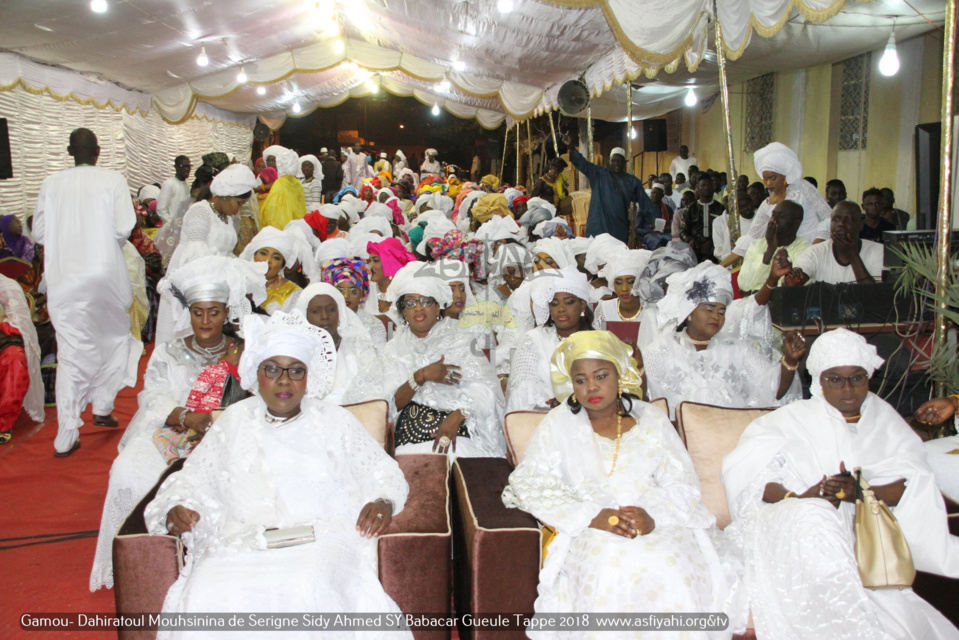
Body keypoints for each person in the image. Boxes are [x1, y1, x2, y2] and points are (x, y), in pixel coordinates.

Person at [144, 311, 412, 637]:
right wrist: (177, 505)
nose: (284, 379)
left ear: (307, 378)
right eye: (272, 369)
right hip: (238, 541)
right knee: (208, 595)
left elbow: (380, 469)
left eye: (296, 370)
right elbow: (193, 476)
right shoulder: (233, 420)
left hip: (318, 539)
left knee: (303, 591)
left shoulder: (333, 420)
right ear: (258, 374)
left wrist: (383, 499)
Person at [722, 328, 959, 639]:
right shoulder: (787, 419)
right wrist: (803, 496)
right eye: (836, 379)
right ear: (819, 380)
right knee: (814, 516)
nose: (848, 388)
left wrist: (859, 493)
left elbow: (912, 481)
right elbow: (757, 480)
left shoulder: (883, 417)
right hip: (795, 521)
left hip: (869, 535)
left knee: (900, 621)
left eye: (857, 377)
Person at [502, 331, 733, 639]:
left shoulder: (651, 419)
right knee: (610, 568)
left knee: (670, 569)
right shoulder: (559, 424)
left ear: (620, 374)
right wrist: (591, 516)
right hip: (593, 529)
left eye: (600, 376)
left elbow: (682, 483)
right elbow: (530, 483)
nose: (591, 387)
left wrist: (653, 515)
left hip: (660, 523)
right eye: (580, 380)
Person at [89, 254, 264, 591]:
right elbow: (152, 397)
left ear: (227, 313)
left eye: (214, 312)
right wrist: (187, 417)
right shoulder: (169, 351)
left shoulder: (245, 350)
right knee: (127, 470)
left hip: (228, 437)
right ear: (189, 313)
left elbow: (259, 397)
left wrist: (221, 419)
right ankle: (136, 557)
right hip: (171, 432)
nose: (205, 320)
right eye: (198, 312)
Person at [32, 128, 142, 456]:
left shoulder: (51, 184)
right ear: (97, 152)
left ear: (69, 151)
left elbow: (39, 233)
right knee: (114, 338)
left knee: (72, 350)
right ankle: (103, 405)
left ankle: (67, 430)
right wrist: (105, 244)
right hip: (105, 275)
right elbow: (124, 226)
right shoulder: (112, 180)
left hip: (65, 279)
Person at [643, 262, 806, 419]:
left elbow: (772, 388)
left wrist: (790, 360)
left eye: (721, 312)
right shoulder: (660, 351)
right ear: (689, 312)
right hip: (680, 440)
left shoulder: (738, 349)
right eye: (709, 309)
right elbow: (644, 401)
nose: (716, 316)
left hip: (731, 435)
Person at [382, 263, 505, 458]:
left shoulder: (460, 339)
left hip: (461, 435)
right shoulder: (393, 349)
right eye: (410, 303)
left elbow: (486, 391)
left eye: (426, 301)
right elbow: (390, 404)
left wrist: (459, 415)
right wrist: (421, 376)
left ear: (438, 305)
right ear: (402, 311)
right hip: (408, 440)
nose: (419, 308)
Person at [155, 164, 258, 345]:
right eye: (239, 203)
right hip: (194, 279)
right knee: (186, 335)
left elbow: (226, 253)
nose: (239, 209)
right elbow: (195, 254)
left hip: (214, 281)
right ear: (226, 195)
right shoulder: (200, 211)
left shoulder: (226, 218)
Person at [724, 142, 832, 265]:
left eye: (773, 178)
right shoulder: (767, 205)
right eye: (766, 179)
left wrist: (815, 246)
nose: (769, 183)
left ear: (784, 175)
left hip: (815, 248)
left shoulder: (803, 189)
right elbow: (751, 237)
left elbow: (829, 217)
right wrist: (721, 265)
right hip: (789, 256)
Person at [507, 267, 594, 413]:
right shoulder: (534, 339)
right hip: (543, 418)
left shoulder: (598, 341)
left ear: (582, 305)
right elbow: (520, 389)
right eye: (554, 304)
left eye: (569, 302)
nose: (561, 309)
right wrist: (552, 404)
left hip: (592, 419)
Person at [294, 283, 385, 405]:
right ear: (305, 315)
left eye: (331, 309)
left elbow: (374, 391)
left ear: (340, 312)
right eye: (316, 311)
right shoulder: (296, 352)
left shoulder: (356, 346)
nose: (325, 316)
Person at [563, 134, 655, 244]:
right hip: (597, 226)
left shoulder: (632, 181)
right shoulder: (598, 174)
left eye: (619, 161)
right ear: (609, 161)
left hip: (618, 228)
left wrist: (654, 220)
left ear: (624, 163)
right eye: (613, 160)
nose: (616, 163)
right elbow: (582, 163)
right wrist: (571, 146)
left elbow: (644, 201)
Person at [782, 201, 883, 286]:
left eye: (848, 220)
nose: (841, 224)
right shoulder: (816, 252)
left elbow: (873, 296)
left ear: (861, 225)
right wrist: (791, 280)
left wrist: (853, 256)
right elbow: (791, 283)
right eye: (836, 220)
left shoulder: (878, 251)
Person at [0, 274, 43, 444]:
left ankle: (3, 422)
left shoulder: (7, 287)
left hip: (3, 339)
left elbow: (19, 325)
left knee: (15, 358)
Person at [737, 200, 811, 293]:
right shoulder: (756, 245)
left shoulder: (806, 249)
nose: (773, 220)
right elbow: (743, 284)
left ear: (796, 223)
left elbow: (782, 288)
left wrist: (758, 289)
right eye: (773, 215)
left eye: (780, 216)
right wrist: (769, 251)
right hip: (751, 304)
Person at [319, 257, 387, 355]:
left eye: (353, 291)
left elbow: (381, 358)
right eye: (340, 291)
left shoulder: (373, 324)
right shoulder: (324, 321)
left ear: (362, 294)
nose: (346, 296)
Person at [239, 227, 303, 314]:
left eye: (276, 257)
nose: (268, 260)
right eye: (263, 253)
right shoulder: (239, 283)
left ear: (282, 266)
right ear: (254, 256)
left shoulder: (294, 294)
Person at [593, 249, 652, 326]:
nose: (624, 288)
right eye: (618, 283)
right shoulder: (604, 309)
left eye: (631, 282)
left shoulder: (651, 311)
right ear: (613, 285)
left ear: (641, 283)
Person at [679, 174, 726, 262]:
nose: (706, 188)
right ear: (697, 187)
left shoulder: (720, 208)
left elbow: (724, 230)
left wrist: (711, 242)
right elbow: (683, 231)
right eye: (703, 185)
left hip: (715, 247)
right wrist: (690, 239)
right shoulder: (690, 208)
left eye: (709, 185)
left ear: (713, 187)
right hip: (694, 247)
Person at [259, 145, 306, 230]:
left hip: (281, 228)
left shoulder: (280, 183)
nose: (270, 163)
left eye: (274, 160)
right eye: (268, 160)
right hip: (295, 227)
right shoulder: (296, 182)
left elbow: (272, 212)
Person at [156, 156, 192, 226]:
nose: (187, 169)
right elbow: (161, 209)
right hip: (172, 228)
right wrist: (172, 224)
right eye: (183, 166)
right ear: (176, 167)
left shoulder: (187, 186)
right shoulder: (169, 184)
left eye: (188, 166)